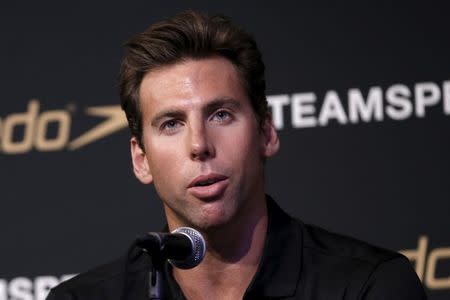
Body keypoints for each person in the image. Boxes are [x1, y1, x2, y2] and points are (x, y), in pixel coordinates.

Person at [46, 11, 427, 300]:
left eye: (221, 115)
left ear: (266, 132)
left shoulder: (367, 287)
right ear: (140, 158)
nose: (199, 144)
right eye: (171, 124)